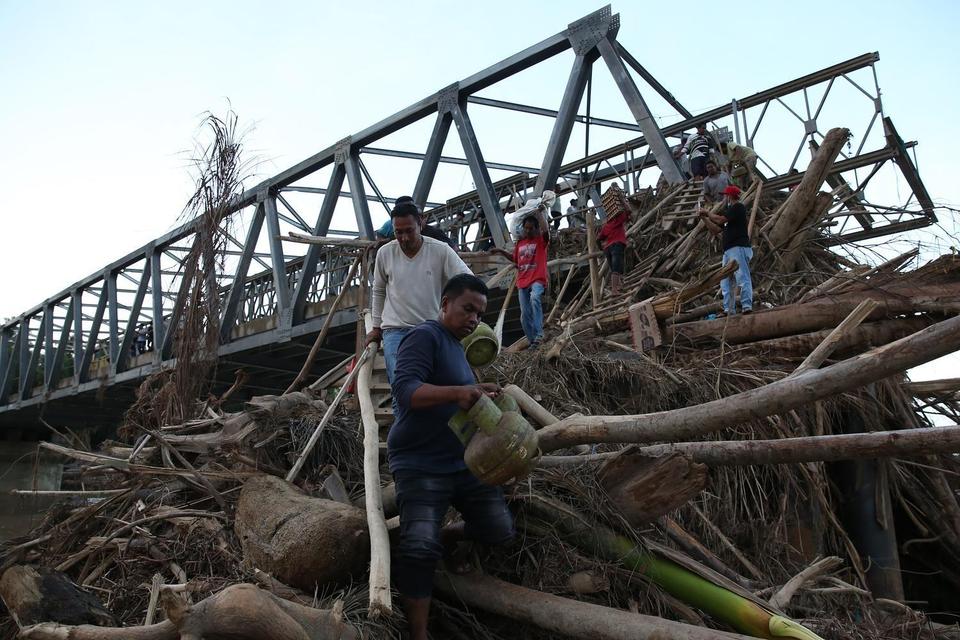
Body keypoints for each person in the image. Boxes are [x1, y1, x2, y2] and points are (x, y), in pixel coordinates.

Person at [388, 273, 514, 640]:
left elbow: (456, 392)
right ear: (445, 305)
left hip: (461, 462)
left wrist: (476, 389)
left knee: (500, 531)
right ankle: (419, 632)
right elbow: (407, 390)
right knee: (418, 547)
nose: (474, 318)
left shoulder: (458, 347)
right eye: (467, 309)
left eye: (480, 313)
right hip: (419, 460)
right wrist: (458, 392)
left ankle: (445, 536)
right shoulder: (423, 336)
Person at [366, 197, 471, 389]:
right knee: (402, 385)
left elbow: (467, 280)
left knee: (433, 382)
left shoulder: (440, 250)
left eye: (409, 231)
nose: (404, 238)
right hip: (395, 330)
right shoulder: (385, 253)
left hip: (431, 328)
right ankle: (402, 418)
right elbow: (379, 290)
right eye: (398, 232)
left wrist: (457, 313)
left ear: (420, 223)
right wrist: (375, 327)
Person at [493, 207, 549, 348]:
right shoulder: (520, 244)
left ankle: (539, 334)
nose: (528, 231)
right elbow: (515, 259)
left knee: (535, 298)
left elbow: (546, 231)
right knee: (524, 315)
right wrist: (500, 251)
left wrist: (539, 214)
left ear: (536, 229)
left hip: (537, 279)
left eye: (531, 228)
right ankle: (532, 341)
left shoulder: (541, 241)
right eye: (526, 228)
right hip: (522, 282)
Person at [698, 185, 753, 316]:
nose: (724, 198)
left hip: (738, 247)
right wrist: (704, 218)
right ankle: (729, 309)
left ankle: (746, 305)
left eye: (725, 195)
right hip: (729, 250)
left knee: (742, 276)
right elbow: (716, 229)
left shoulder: (737, 207)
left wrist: (707, 213)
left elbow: (720, 219)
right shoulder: (730, 212)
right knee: (726, 281)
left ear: (730, 196)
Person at [597, 202, 628, 295]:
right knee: (616, 267)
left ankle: (619, 286)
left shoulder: (606, 226)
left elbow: (598, 239)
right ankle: (614, 290)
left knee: (615, 267)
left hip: (607, 249)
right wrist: (624, 202)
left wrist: (601, 249)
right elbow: (628, 211)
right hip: (617, 245)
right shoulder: (617, 220)